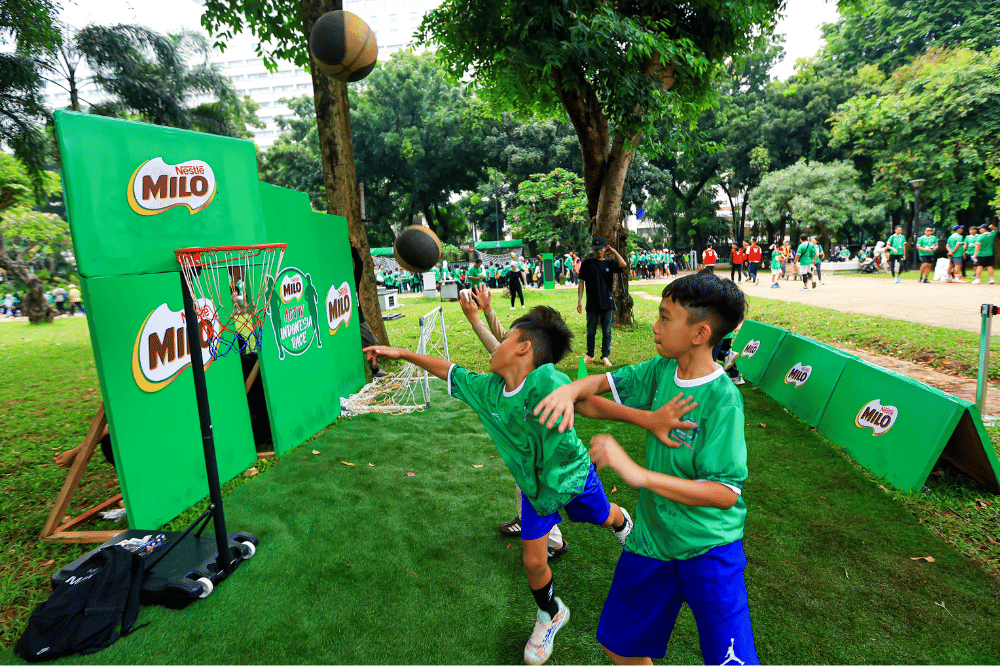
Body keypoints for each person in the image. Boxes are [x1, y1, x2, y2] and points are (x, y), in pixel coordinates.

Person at [363, 306, 640, 665]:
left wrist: (646, 419)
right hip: (535, 492)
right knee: (533, 562)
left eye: (505, 338)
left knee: (604, 516)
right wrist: (402, 353)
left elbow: (590, 402)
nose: (495, 345)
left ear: (523, 348)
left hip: (574, 477)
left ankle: (622, 523)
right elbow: (450, 370)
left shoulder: (547, 381)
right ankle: (551, 613)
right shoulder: (487, 390)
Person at [532, 272, 758, 666]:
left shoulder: (723, 400)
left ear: (700, 333)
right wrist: (575, 392)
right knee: (621, 646)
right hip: (652, 541)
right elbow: (589, 396)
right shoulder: (659, 371)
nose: (654, 326)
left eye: (665, 317)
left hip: (710, 549)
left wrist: (639, 475)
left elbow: (726, 493)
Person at [459, 285, 568, 560]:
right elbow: (506, 342)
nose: (509, 337)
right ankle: (529, 522)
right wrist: (487, 310)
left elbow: (500, 346)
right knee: (526, 485)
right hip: (530, 450)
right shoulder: (535, 362)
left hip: (540, 455)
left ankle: (553, 542)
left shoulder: (538, 379)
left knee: (539, 489)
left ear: (529, 344)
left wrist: (475, 319)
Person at [578, 236, 627, 366]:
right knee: (591, 331)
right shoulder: (587, 263)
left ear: (605, 249)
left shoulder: (609, 263)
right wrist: (579, 301)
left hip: (607, 303)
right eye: (596, 249)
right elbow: (581, 282)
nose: (598, 251)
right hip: (592, 303)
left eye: (601, 249)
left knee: (607, 331)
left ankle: (605, 356)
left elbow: (623, 264)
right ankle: (590, 354)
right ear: (593, 250)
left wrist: (615, 251)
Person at [350, 246, 389, 379]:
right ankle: (375, 370)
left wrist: (352, 248)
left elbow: (360, 264)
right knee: (371, 341)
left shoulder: (353, 280)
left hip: (358, 317)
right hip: (349, 319)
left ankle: (375, 370)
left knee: (371, 341)